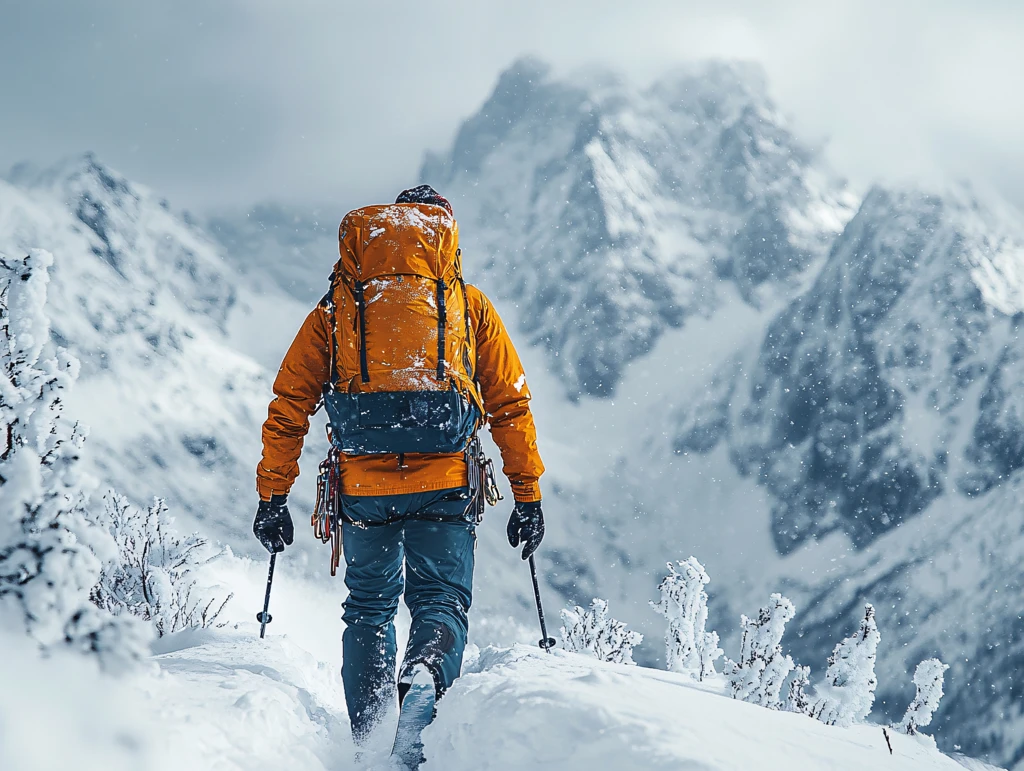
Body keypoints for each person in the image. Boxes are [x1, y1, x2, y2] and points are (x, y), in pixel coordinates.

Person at [252, 185, 545, 744]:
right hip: (448, 480)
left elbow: (290, 403)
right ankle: (426, 672)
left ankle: (366, 742)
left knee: (368, 607)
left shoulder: (340, 307)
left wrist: (273, 496)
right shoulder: (466, 305)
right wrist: (526, 495)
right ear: (445, 235)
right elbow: (510, 403)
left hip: (362, 484)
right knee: (441, 599)